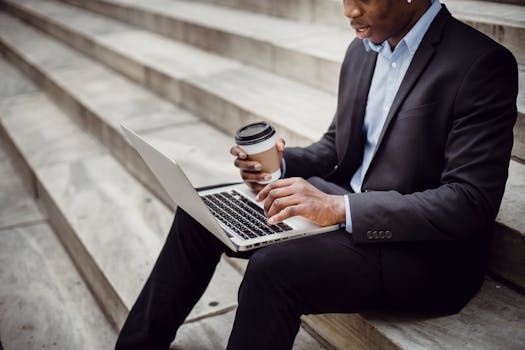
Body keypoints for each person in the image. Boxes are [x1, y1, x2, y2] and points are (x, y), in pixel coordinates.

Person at [115, 0, 518, 349]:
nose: (349, 11)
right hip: (343, 208)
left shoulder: (480, 64)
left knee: (272, 270)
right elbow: (336, 147)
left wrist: (339, 208)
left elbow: (468, 203)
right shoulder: (363, 49)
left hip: (420, 253)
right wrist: (279, 165)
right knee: (201, 212)